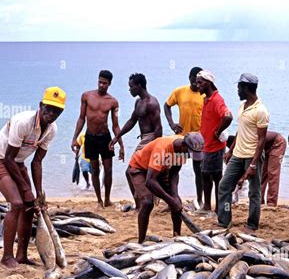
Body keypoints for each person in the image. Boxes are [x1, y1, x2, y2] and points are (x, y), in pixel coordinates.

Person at [0, 86, 66, 268]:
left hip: (17, 162)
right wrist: (25, 189)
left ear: (61, 112)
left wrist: (38, 194)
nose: (51, 113)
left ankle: (21, 255)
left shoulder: (51, 130)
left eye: (57, 110)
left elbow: (37, 162)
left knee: (30, 205)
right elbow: (7, 158)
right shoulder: (23, 122)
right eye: (49, 108)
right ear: (41, 105)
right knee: (17, 203)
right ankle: (6, 257)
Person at [127, 132, 204, 243]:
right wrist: (170, 200)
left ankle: (176, 236)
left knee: (177, 202)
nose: (189, 156)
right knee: (148, 203)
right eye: (189, 153)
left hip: (160, 169)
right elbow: (150, 181)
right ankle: (141, 241)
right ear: (183, 145)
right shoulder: (162, 149)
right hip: (140, 168)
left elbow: (174, 173)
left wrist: (174, 196)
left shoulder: (182, 150)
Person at [218, 73, 269, 234]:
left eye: (239, 88)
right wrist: (231, 150)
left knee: (254, 191)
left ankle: (252, 224)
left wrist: (254, 163)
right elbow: (240, 131)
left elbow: (262, 140)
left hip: (252, 156)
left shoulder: (261, 110)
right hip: (238, 154)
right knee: (224, 185)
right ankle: (224, 220)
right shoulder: (243, 106)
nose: (237, 91)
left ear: (246, 88)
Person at [71, 70, 124, 208]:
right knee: (94, 170)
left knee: (108, 170)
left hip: (105, 138)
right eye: (100, 82)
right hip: (90, 138)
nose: (101, 85)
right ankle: (99, 200)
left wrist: (121, 146)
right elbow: (81, 118)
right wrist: (74, 138)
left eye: (105, 83)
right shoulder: (87, 96)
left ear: (110, 84)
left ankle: (107, 199)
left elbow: (116, 126)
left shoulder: (113, 102)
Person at [109, 73, 162, 207]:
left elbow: (158, 129)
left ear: (139, 86)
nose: (130, 90)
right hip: (144, 139)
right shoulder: (138, 102)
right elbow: (132, 121)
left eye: (131, 87)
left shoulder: (152, 103)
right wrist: (117, 136)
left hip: (150, 139)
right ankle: (143, 202)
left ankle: (141, 205)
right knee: (139, 173)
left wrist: (155, 149)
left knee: (130, 171)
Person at [164, 67, 204, 207]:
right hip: (182, 138)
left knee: (198, 170)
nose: (195, 83)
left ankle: (199, 199)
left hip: (199, 139)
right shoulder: (180, 91)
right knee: (175, 168)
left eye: (198, 81)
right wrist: (171, 123)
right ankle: (173, 197)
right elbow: (167, 105)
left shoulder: (204, 94)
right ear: (189, 77)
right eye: (193, 80)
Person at [195, 70, 233, 213]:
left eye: (200, 82)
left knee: (214, 176)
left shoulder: (217, 99)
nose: (197, 85)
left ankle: (216, 207)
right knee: (207, 174)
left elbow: (228, 116)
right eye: (196, 82)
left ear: (209, 83)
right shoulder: (207, 99)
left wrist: (217, 132)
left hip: (215, 146)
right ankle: (209, 205)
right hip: (207, 145)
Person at [261, 131, 287, 206]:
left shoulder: (250, 140)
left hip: (277, 143)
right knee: (261, 173)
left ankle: (271, 202)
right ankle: (259, 200)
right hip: (264, 146)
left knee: (273, 173)